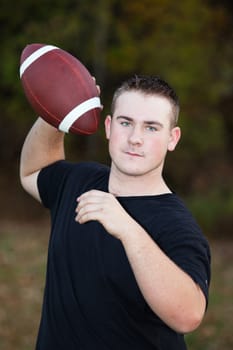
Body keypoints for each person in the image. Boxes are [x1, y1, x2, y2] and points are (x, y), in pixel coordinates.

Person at [20, 75, 211, 350]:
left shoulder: (176, 225)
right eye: (126, 123)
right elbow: (32, 172)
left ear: (173, 138)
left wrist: (129, 230)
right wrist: (58, 109)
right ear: (108, 127)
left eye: (151, 128)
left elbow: (188, 316)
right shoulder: (80, 181)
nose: (135, 139)